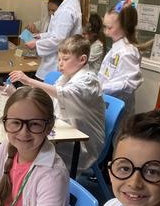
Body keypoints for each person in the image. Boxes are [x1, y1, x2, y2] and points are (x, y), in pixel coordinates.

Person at [8, 35, 105, 175]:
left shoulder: (89, 81)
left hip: (82, 143)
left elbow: (63, 93)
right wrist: (16, 93)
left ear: (82, 60)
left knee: (28, 143)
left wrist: (29, 81)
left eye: (65, 59)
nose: (60, 64)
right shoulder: (65, 77)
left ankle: (33, 178)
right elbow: (47, 98)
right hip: (65, 131)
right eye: (59, 59)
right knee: (23, 139)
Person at [26, 0, 89, 81]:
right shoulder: (72, 4)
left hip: (56, 64)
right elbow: (57, 33)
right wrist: (41, 36)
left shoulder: (67, 9)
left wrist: (36, 44)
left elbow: (59, 40)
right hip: (64, 60)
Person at [99, 0, 144, 119]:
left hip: (119, 109)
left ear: (125, 27)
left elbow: (132, 82)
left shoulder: (128, 52)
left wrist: (103, 88)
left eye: (110, 28)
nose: (106, 32)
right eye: (104, 27)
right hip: (107, 103)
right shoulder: (116, 47)